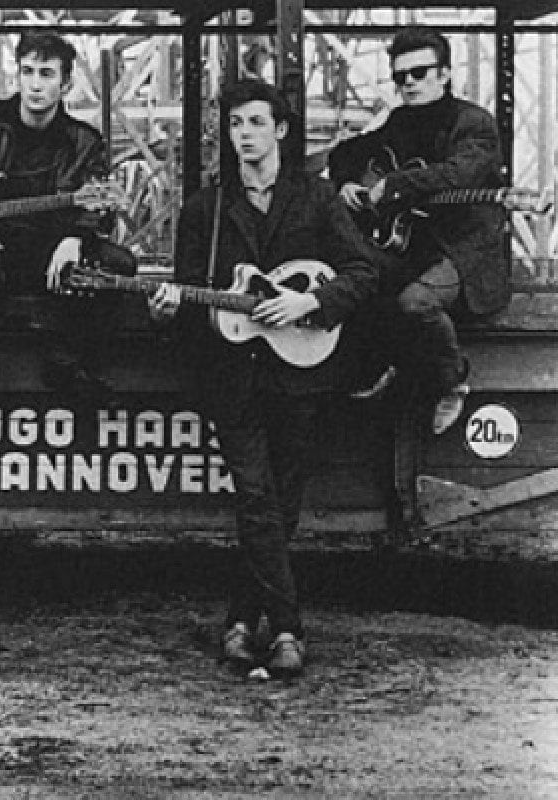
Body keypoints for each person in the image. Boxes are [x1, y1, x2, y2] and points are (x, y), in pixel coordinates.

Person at [148, 80, 378, 677]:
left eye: (255, 122)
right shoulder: (207, 209)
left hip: (304, 369)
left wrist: (310, 304)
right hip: (235, 375)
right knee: (255, 494)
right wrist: (170, 306)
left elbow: (362, 273)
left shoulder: (318, 199)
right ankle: (290, 629)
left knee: (281, 500)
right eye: (234, 124)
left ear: (280, 130)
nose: (243, 133)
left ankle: (241, 620)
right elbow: (186, 287)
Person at [0, 32, 136, 417]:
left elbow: (98, 201)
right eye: (28, 72)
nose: (36, 84)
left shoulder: (84, 142)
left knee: (119, 264)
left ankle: (68, 365)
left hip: (48, 251)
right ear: (17, 76)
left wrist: (76, 235)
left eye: (47, 74)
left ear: (66, 83)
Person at [329, 28, 510, 434]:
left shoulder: (474, 123)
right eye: (400, 76)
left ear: (444, 74)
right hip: (411, 245)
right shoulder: (400, 120)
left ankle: (452, 380)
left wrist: (392, 186)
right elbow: (349, 151)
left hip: (464, 251)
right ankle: (381, 363)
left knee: (415, 303)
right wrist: (346, 183)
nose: (408, 83)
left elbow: (458, 174)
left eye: (419, 72)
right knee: (353, 277)